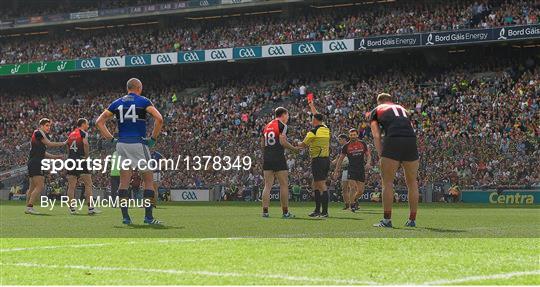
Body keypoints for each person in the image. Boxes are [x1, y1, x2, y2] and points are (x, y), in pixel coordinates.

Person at [96, 78, 164, 225]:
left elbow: (99, 122)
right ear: (139, 88)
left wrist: (111, 139)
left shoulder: (116, 103)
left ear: (128, 88)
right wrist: (153, 138)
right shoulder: (144, 101)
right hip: (138, 143)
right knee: (148, 182)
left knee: (124, 182)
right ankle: (148, 217)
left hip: (121, 144)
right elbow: (159, 119)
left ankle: (126, 217)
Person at [369, 93, 419, 227]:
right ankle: (412, 220)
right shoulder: (403, 109)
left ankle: (387, 220)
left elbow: (376, 134)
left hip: (393, 140)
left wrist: (381, 154)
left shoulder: (376, 110)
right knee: (412, 182)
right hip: (410, 140)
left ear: (379, 101)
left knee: (387, 182)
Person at [261, 107, 298, 218]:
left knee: (267, 186)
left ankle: (265, 212)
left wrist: (267, 153)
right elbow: (282, 142)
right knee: (283, 185)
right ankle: (285, 212)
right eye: (287, 115)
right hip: (278, 157)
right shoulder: (282, 126)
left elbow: (262, 144)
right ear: (283, 114)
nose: (288, 118)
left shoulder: (266, 126)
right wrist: (294, 149)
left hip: (267, 157)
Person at [298, 95, 331, 218]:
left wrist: (294, 143)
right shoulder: (325, 128)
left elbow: (302, 145)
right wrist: (312, 106)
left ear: (315, 121)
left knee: (321, 185)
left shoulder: (312, 132)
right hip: (325, 159)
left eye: (312, 118)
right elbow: (317, 115)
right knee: (316, 184)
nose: (311, 120)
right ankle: (318, 210)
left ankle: (325, 212)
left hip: (318, 160)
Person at [25, 118, 67, 215]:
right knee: (40, 186)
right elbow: (50, 143)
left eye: (49, 126)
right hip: (36, 162)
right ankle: (30, 207)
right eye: (47, 125)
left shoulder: (38, 135)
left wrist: (56, 157)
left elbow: (43, 153)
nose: (49, 128)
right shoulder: (39, 133)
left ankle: (28, 207)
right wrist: (64, 143)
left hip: (33, 161)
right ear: (41, 125)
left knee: (32, 187)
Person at [66, 118, 100, 215]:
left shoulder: (71, 134)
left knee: (71, 186)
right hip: (80, 159)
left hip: (71, 160)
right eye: (87, 124)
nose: (88, 126)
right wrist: (87, 156)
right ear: (83, 124)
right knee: (88, 184)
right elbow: (85, 143)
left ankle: (72, 208)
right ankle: (90, 208)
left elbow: (67, 146)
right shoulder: (83, 133)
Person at [333, 129, 371, 212]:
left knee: (361, 191)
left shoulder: (363, 144)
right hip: (351, 169)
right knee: (352, 188)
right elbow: (340, 159)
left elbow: (368, 155)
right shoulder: (346, 146)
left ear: (357, 135)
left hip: (361, 169)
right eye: (351, 135)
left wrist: (368, 163)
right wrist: (336, 170)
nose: (353, 136)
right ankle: (352, 205)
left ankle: (354, 200)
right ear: (349, 136)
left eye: (354, 135)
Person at [332, 134, 351, 210]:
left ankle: (353, 204)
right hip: (345, 169)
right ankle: (347, 204)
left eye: (340, 139)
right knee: (344, 188)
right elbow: (338, 158)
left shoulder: (349, 146)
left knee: (351, 187)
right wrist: (333, 163)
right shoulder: (341, 148)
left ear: (344, 139)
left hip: (351, 169)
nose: (339, 141)